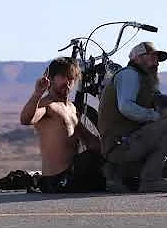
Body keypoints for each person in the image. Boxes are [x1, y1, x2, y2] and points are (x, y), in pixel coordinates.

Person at [98, 41, 167, 193]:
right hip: (121, 145)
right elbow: (126, 107)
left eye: (157, 59)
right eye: (151, 57)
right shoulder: (129, 75)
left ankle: (119, 173)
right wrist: (156, 116)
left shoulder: (146, 81)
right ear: (136, 58)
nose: (156, 62)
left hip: (129, 143)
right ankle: (150, 180)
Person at [20, 57, 104, 193]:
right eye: (63, 77)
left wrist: (114, 147)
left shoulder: (72, 108)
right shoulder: (47, 105)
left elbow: (91, 142)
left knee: (107, 166)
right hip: (56, 179)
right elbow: (25, 119)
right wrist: (37, 94)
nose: (67, 82)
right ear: (51, 79)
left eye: (71, 78)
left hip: (74, 173)